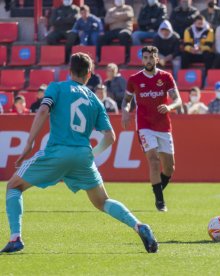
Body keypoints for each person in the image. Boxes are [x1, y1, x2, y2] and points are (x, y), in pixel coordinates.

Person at [0, 52, 158, 254]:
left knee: (14, 186)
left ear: (69, 70)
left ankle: (15, 238)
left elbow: (42, 111)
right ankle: (139, 226)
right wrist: (92, 153)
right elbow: (110, 137)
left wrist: (29, 144)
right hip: (83, 156)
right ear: (89, 74)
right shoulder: (95, 99)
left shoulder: (56, 87)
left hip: (57, 152)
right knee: (102, 201)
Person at [121, 46, 182, 212]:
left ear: (157, 59)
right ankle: (160, 201)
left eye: (151, 57)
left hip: (163, 125)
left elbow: (178, 100)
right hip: (144, 125)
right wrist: (125, 111)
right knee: (154, 161)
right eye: (145, 57)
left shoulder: (166, 77)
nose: (148, 60)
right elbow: (126, 100)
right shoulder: (134, 79)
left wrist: (170, 107)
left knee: (169, 168)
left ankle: (157, 189)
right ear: (142, 59)